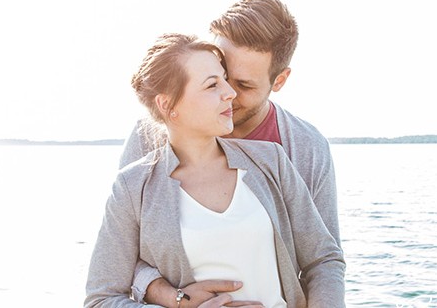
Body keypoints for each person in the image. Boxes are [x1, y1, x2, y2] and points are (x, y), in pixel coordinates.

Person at [84, 33, 345, 308]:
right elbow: (101, 299)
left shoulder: (272, 161)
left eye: (224, 78)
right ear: (168, 105)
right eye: (212, 85)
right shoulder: (132, 187)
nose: (230, 92)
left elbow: (324, 259)